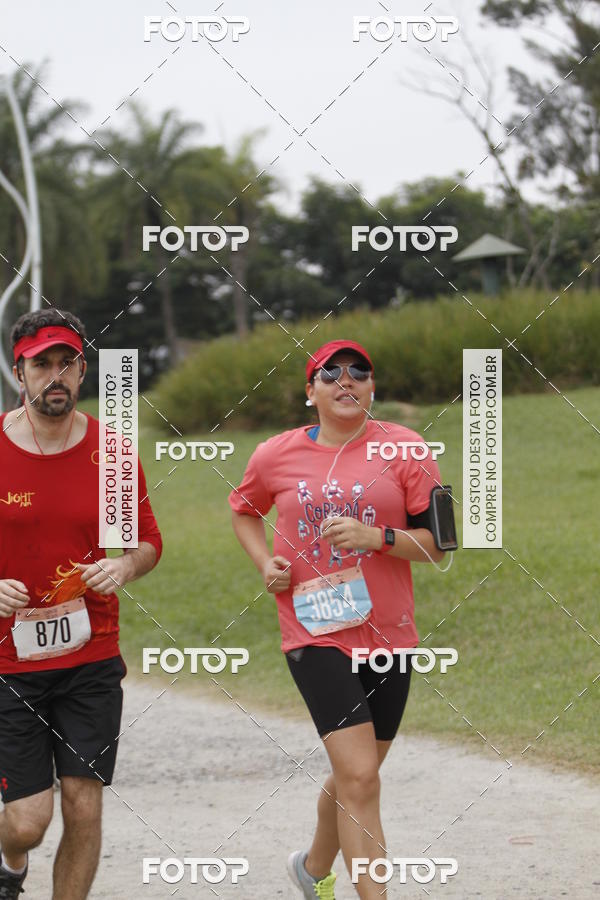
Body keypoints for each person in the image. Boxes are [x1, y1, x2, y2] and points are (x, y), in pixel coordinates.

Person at [229, 340, 446, 899]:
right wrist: (265, 564)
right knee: (360, 777)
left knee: (358, 775)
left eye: (359, 372)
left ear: (373, 388)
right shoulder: (273, 455)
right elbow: (245, 512)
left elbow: (440, 547)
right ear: (311, 392)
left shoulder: (409, 450)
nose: (345, 381)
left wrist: (378, 538)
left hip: (388, 634)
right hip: (313, 629)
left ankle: (311, 869)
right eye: (330, 374)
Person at [0, 310, 162, 900]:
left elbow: (149, 541)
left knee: (84, 803)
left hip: (90, 657)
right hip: (9, 666)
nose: (56, 374)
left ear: (83, 369)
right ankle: (11, 864)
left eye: (67, 361)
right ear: (20, 370)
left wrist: (124, 564)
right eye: (42, 362)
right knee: (27, 822)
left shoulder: (111, 453)